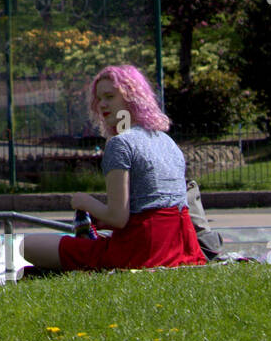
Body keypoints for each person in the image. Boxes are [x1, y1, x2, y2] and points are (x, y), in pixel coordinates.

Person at [22, 64, 206, 272]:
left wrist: (84, 202)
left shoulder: (120, 144)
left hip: (141, 249)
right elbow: (149, 205)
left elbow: (118, 218)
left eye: (110, 96)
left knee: (28, 245)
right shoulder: (166, 141)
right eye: (99, 99)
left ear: (131, 97)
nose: (102, 105)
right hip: (182, 246)